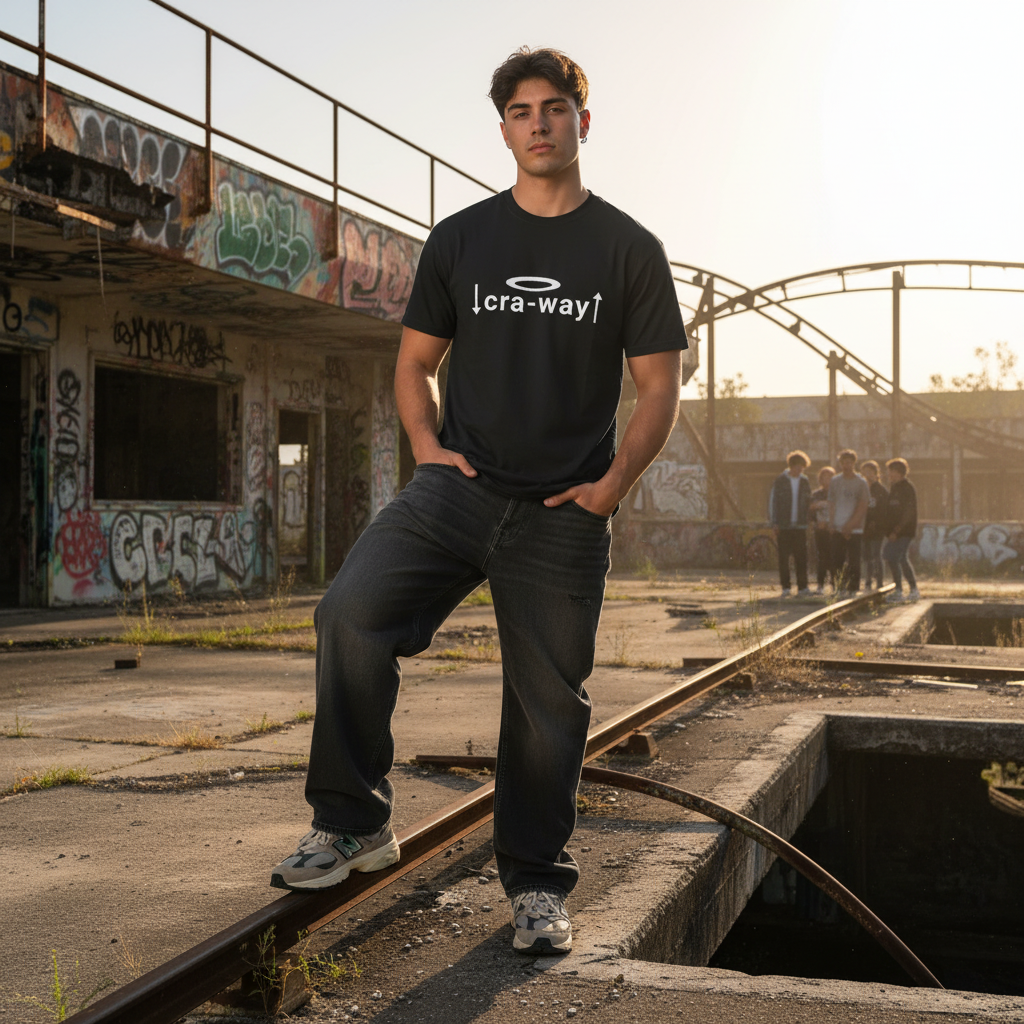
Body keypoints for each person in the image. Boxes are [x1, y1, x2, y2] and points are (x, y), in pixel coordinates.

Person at [269, 47, 688, 957]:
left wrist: (609, 490)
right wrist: (426, 449)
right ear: (502, 128)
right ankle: (352, 823)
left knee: (548, 706)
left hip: (562, 516)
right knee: (349, 612)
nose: (538, 123)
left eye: (555, 108)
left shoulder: (629, 249)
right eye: (521, 110)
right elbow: (413, 363)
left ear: (584, 120)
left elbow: (658, 390)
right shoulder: (461, 238)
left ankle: (536, 884)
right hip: (455, 493)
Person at [769, 450, 812, 598]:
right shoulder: (780, 480)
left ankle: (803, 587)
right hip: (784, 525)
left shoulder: (805, 481)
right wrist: (774, 522)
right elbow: (773, 502)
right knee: (784, 558)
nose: (799, 469)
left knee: (801, 557)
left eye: (802, 467)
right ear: (791, 466)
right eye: (797, 466)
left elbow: (808, 502)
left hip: (800, 525)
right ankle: (786, 587)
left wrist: (809, 520)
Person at [828, 449, 869, 594]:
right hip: (837, 527)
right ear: (840, 464)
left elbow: (863, 505)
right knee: (837, 560)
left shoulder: (861, 482)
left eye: (850, 463)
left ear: (854, 463)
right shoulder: (835, 481)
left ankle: (853, 588)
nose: (847, 465)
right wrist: (832, 523)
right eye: (844, 463)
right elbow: (831, 503)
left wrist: (850, 525)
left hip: (855, 528)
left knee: (854, 561)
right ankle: (838, 588)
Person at [883, 458, 920, 603]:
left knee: (896, 556)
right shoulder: (894, 487)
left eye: (891, 471)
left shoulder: (907, 488)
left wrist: (897, 530)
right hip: (894, 532)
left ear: (898, 472)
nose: (888, 474)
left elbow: (909, 512)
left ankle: (909, 589)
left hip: (904, 532)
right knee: (895, 557)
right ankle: (903, 589)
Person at [860, 460, 888, 590]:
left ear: (876, 474)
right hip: (863, 528)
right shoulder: (861, 489)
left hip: (877, 529)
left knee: (876, 554)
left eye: (870, 472)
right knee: (866, 557)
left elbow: (884, 510)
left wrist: (876, 523)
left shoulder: (880, 490)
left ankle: (880, 582)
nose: (867, 475)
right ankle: (868, 581)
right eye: (864, 472)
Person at [809, 465, 835, 594]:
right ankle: (820, 584)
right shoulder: (816, 494)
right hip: (820, 530)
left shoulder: (837, 493)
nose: (827, 480)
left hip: (834, 530)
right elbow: (811, 510)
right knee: (821, 557)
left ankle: (835, 583)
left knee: (834, 556)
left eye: (830, 477)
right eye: (824, 477)